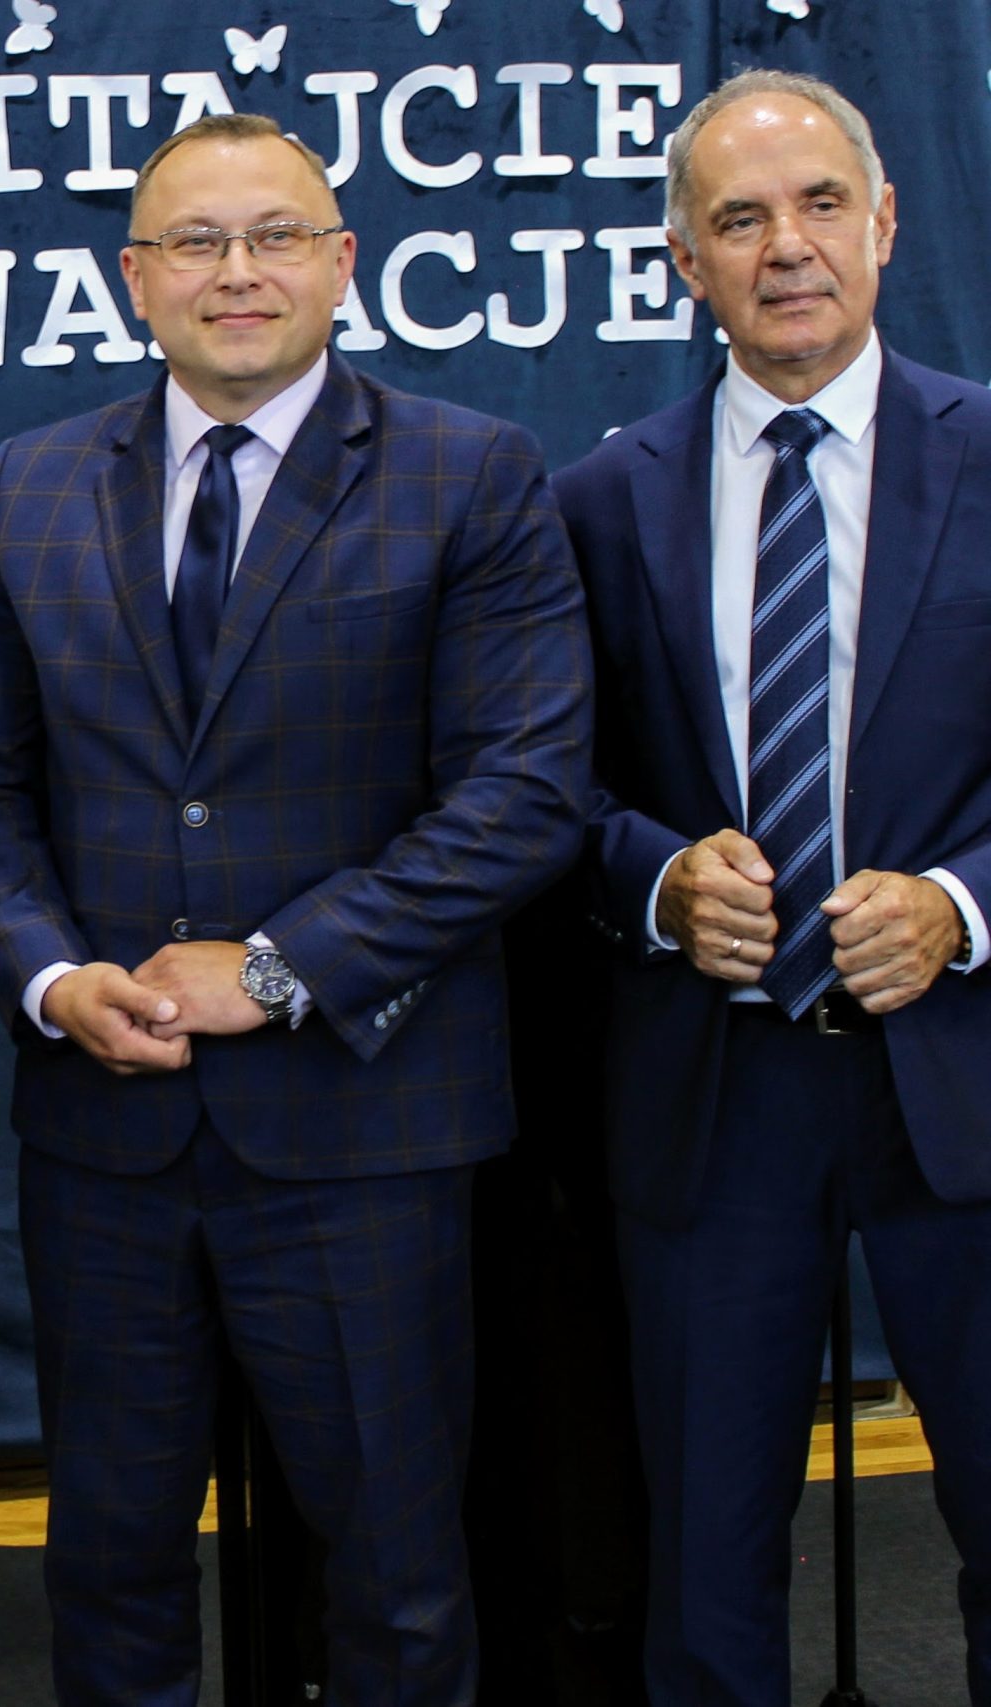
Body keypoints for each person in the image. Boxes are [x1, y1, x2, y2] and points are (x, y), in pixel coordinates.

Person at [0, 112, 594, 1705]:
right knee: (110, 1571)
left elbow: (524, 794)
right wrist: (50, 977)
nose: (238, 271)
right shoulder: (31, 487)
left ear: (343, 263)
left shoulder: (471, 473)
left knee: (396, 1583)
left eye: (277, 235)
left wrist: (283, 968)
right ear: (134, 277)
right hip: (107, 1138)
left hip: (365, 1132)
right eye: (197, 242)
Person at [553, 69, 991, 1705]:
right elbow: (542, 792)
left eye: (820, 204)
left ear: (886, 224)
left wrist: (961, 904)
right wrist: (659, 881)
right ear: (686, 259)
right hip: (712, 1098)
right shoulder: (599, 503)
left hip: (965, 1082)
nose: (786, 245)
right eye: (739, 218)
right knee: (705, 1566)